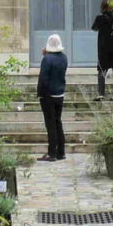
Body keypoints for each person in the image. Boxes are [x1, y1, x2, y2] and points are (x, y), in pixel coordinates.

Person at [36, 34, 68, 162]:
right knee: (57, 122)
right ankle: (61, 151)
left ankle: (52, 153)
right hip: (60, 93)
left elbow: (43, 78)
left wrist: (40, 93)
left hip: (48, 95)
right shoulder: (64, 58)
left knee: (50, 124)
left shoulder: (47, 59)